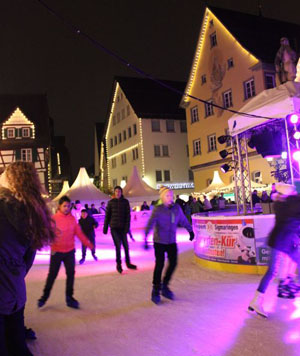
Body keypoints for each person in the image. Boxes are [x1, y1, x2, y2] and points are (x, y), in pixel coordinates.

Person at [0, 162, 56, 356]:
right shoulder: (29, 212)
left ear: (11, 179)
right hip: (15, 289)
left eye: (4, 172)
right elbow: (28, 259)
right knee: (15, 340)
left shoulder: (2, 207)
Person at [248, 183, 300, 318]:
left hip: (279, 240)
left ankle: (256, 300)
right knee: (275, 270)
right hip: (284, 241)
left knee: (272, 271)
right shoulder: (291, 203)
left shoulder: (281, 203)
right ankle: (258, 300)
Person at [38, 196, 93, 309]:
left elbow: (79, 233)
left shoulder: (72, 219)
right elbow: (47, 233)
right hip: (56, 252)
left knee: (71, 275)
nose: (67, 208)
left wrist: (88, 244)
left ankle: (69, 298)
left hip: (69, 252)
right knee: (52, 275)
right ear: (59, 206)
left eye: (68, 206)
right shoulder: (54, 219)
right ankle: (44, 297)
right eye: (64, 206)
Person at [144, 186, 194, 304]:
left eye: (171, 195)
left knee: (173, 263)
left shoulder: (176, 208)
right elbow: (150, 223)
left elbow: (183, 220)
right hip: (159, 241)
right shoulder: (158, 209)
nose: (170, 197)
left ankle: (165, 286)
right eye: (167, 195)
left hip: (171, 241)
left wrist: (190, 230)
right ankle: (156, 289)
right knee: (160, 264)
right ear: (162, 197)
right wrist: (146, 238)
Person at [103, 186, 137, 273]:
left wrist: (127, 228)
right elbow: (107, 216)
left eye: (119, 191)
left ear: (121, 192)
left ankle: (128, 263)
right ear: (114, 193)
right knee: (118, 246)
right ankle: (119, 264)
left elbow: (128, 216)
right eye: (116, 191)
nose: (117, 193)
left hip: (123, 228)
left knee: (126, 246)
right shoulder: (111, 202)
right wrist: (105, 227)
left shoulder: (125, 202)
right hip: (114, 228)